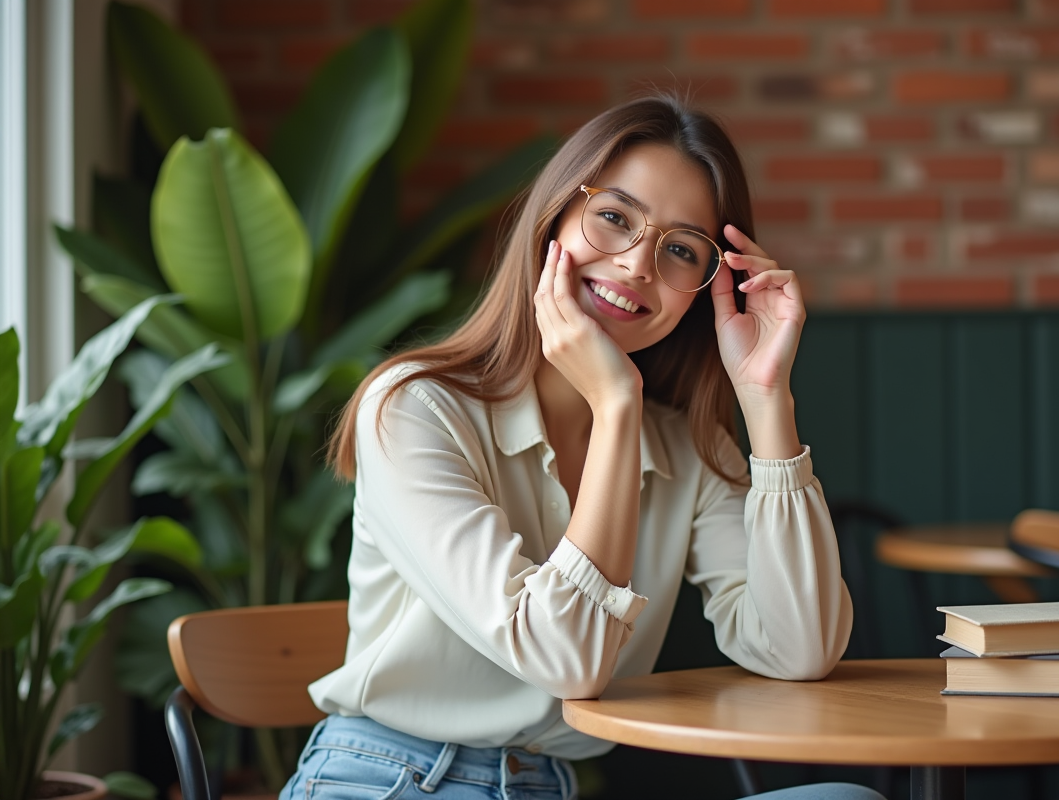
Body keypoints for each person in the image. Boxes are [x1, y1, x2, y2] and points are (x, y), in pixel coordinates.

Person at [280, 95, 885, 800]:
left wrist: (766, 399)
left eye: (681, 250)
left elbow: (799, 650)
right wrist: (614, 403)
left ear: (708, 288)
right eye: (614, 217)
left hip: (545, 784)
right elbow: (566, 660)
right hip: (389, 780)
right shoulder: (416, 408)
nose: (635, 265)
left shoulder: (684, 449)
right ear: (554, 222)